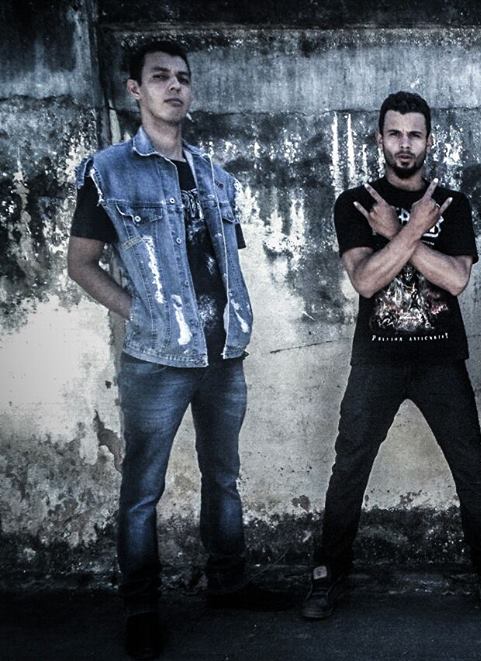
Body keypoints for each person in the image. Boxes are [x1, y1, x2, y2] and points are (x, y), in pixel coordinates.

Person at [67, 40, 283, 659]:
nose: (174, 87)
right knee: (142, 489)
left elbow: (221, 263)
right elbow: (81, 264)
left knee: (223, 477)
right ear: (134, 90)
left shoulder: (215, 175)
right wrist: (142, 313)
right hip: (156, 360)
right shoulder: (110, 171)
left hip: (223, 354)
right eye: (160, 77)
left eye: (182, 77)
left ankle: (228, 583)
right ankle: (141, 607)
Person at [302, 91, 481, 621]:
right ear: (380, 139)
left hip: (440, 360)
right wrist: (406, 230)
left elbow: (455, 279)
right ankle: (328, 574)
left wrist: (397, 235)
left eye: (414, 134)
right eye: (395, 134)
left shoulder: (451, 204)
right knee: (350, 466)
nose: (404, 144)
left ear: (429, 140)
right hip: (376, 360)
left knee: (470, 468)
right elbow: (366, 281)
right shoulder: (356, 203)